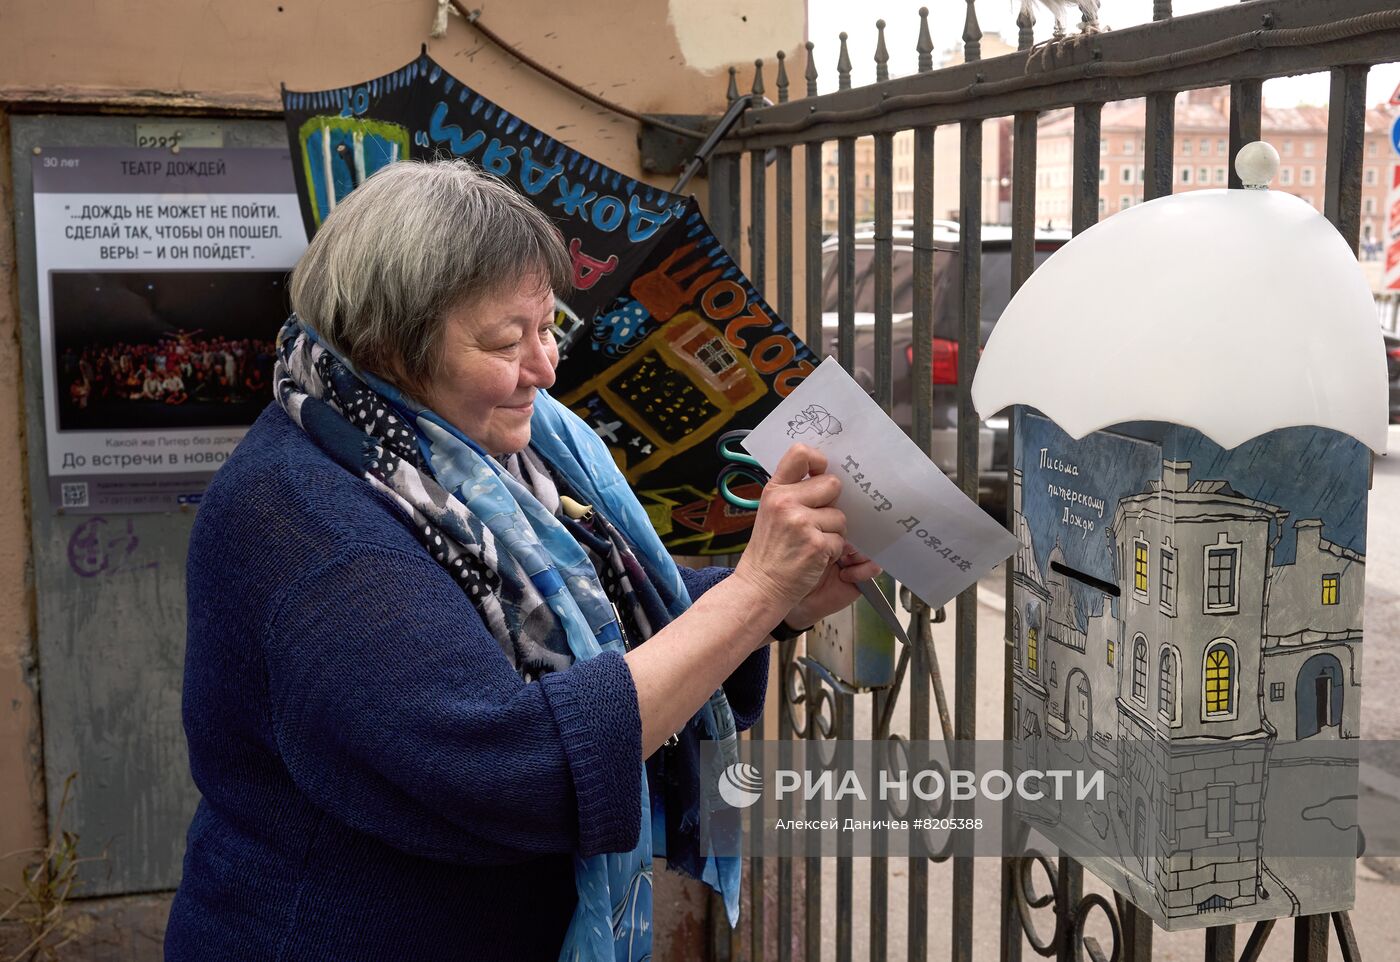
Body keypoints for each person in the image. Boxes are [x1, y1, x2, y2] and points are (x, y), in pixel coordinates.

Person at [165, 159, 876, 962]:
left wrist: (779, 601)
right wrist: (751, 594)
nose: (544, 367)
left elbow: (588, 625)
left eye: (548, 328)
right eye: (508, 340)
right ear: (390, 346)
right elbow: (511, 763)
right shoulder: (309, 524)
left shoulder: (466, 449)